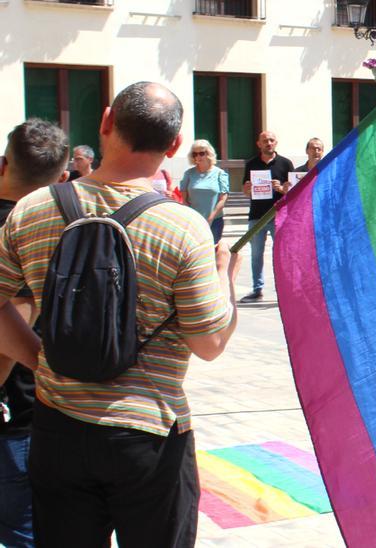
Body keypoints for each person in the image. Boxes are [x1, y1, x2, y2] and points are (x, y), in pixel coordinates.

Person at [0, 81, 239, 548]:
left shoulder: (33, 209)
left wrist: (42, 360)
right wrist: (225, 276)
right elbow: (209, 344)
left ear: (106, 122)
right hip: (147, 437)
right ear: (173, 146)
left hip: (57, 429)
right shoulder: (183, 226)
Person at [0, 119, 68, 548]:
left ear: (4, 163)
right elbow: (11, 329)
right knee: (25, 534)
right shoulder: (29, 230)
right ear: (62, 179)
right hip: (14, 414)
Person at [240, 130, 294, 303]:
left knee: (281, 254)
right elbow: (245, 190)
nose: (268, 143)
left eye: (271, 140)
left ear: (276, 143)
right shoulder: (251, 164)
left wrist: (281, 189)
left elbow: (293, 190)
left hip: (279, 215)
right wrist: (247, 190)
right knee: (256, 254)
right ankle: (257, 289)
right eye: (265, 141)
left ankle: (285, 289)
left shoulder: (286, 164)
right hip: (256, 215)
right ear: (259, 144)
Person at [179, 139, 230, 242]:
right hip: (193, 222)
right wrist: (193, 218)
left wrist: (211, 217)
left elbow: (223, 200)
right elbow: (184, 200)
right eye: (195, 154)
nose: (198, 157)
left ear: (209, 154)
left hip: (214, 221)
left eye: (201, 153)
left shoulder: (220, 174)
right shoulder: (188, 174)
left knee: (212, 252)